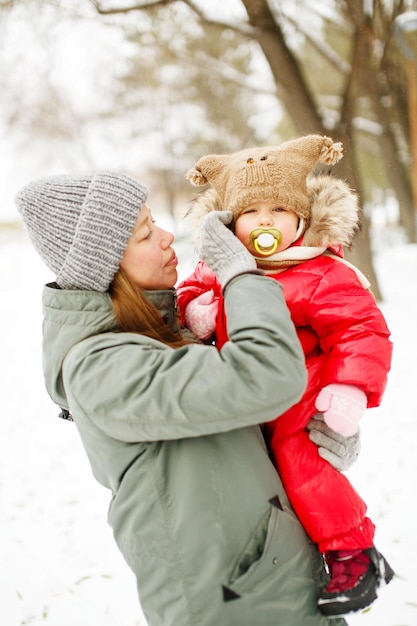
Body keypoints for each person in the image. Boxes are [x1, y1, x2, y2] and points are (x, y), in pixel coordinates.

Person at [15, 170, 359, 626]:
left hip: (279, 581)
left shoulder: (168, 335)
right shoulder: (101, 366)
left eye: (155, 221)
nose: (166, 235)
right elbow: (267, 374)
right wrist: (241, 274)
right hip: (230, 603)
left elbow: (242, 425)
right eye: (144, 232)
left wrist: (319, 436)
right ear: (107, 265)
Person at [177, 134, 395, 617]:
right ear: (232, 221)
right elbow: (188, 291)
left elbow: (361, 329)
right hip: (246, 398)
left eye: (279, 209)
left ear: (302, 218)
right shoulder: (219, 266)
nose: (266, 221)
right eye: (252, 212)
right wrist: (196, 309)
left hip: (302, 394)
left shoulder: (320, 273)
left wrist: (349, 387)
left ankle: (354, 552)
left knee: (301, 462)